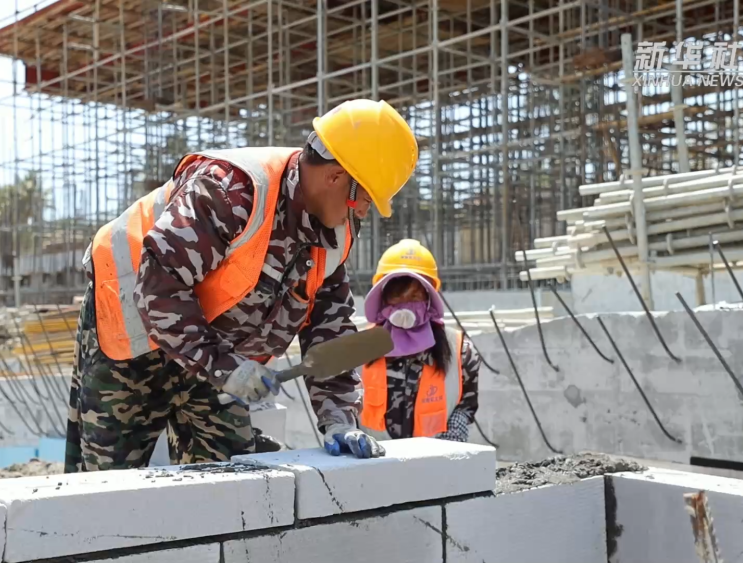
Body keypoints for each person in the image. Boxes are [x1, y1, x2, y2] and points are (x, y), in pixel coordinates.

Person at [65, 99, 419, 472]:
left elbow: (328, 327)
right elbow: (160, 288)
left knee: (230, 476)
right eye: (365, 198)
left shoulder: (334, 232)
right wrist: (228, 370)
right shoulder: (229, 190)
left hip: (211, 352)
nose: (363, 211)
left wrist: (339, 418)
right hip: (132, 337)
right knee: (111, 484)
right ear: (335, 177)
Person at [358, 239, 482, 442]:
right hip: (374, 458)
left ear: (429, 298)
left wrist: (454, 432)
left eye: (414, 296)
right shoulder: (358, 349)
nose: (405, 305)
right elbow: (341, 401)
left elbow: (466, 404)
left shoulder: (460, 350)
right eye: (397, 296)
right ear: (383, 299)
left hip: (435, 457)